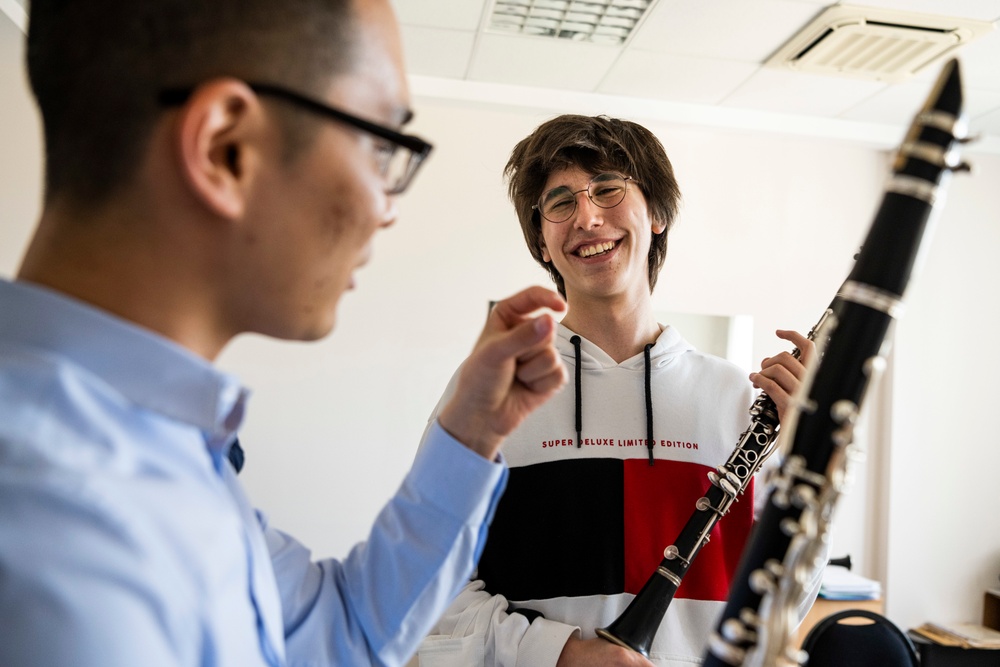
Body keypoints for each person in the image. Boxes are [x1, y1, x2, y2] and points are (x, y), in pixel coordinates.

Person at [0, 1, 570, 666]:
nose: (385, 208)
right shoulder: (59, 537)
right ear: (226, 149)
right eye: (380, 145)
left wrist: (472, 432)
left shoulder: (169, 450)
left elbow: (343, 628)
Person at [418, 115, 816, 667]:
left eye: (608, 189)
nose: (586, 216)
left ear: (656, 213)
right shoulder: (490, 393)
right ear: (542, 240)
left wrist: (811, 463)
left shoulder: (737, 400)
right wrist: (562, 655)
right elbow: (429, 588)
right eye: (559, 202)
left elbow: (782, 606)